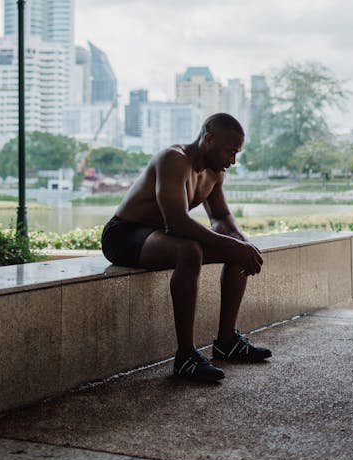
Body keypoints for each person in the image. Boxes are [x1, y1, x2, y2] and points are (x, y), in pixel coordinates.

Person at [101, 112, 271, 384]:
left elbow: (222, 218)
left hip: (158, 235)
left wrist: (240, 242)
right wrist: (232, 245)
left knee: (238, 248)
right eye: (229, 151)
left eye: (237, 153)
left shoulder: (214, 174)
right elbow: (177, 223)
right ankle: (186, 357)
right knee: (189, 251)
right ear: (209, 139)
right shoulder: (173, 159)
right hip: (124, 234)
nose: (232, 160)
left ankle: (226, 341)